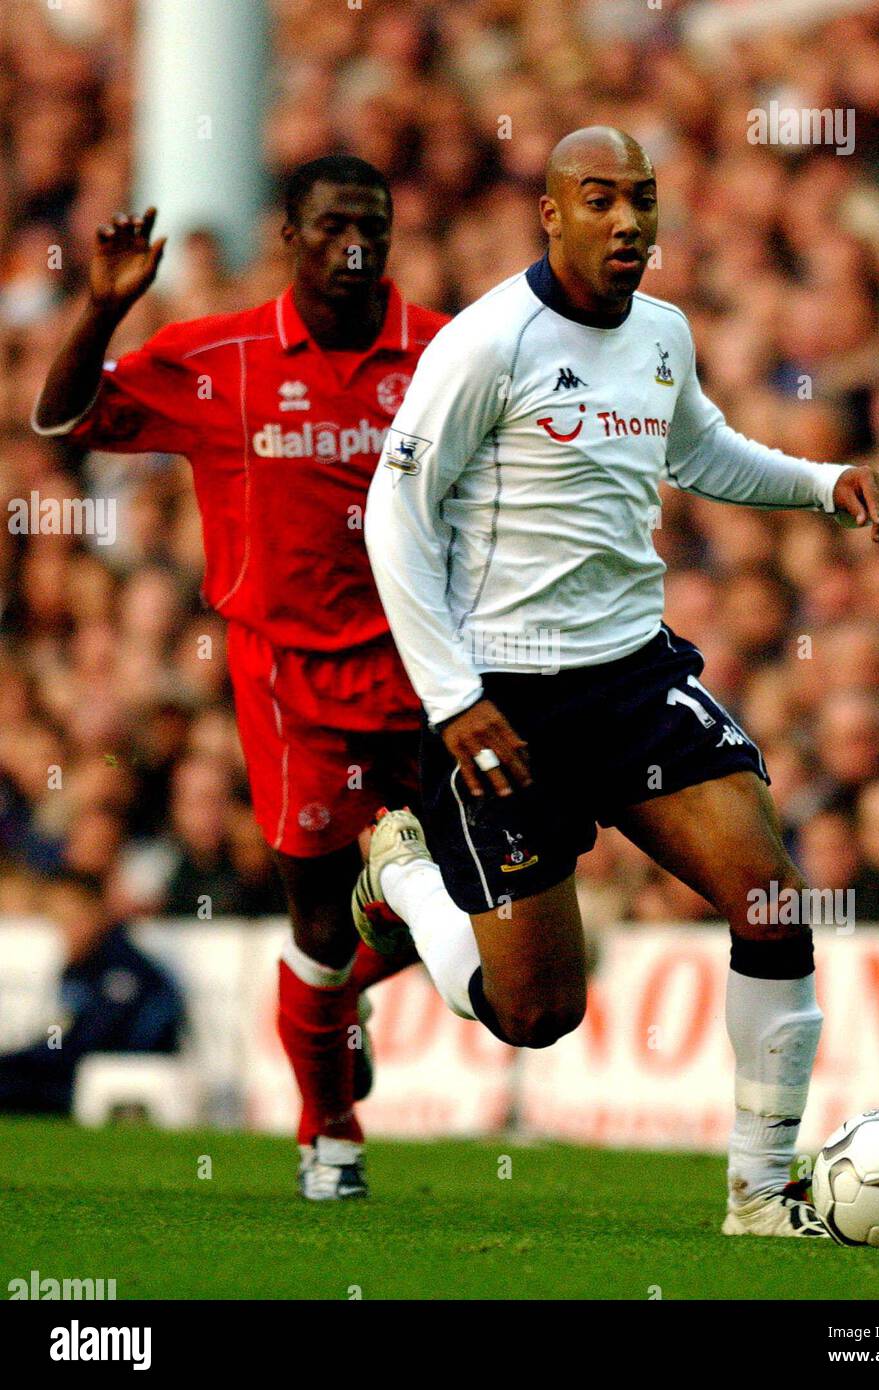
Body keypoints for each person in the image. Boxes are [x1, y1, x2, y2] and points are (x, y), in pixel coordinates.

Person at [359, 127, 879, 1237]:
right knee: (538, 1012)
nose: (628, 222)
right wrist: (452, 699)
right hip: (502, 698)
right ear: (550, 214)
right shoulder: (485, 344)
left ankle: (757, 1194)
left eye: (643, 199)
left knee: (768, 897)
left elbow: (693, 448)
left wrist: (820, 480)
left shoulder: (661, 332)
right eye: (599, 199)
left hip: (629, 677)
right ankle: (407, 878)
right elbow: (392, 518)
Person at [33, 155, 449, 1199]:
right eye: (332, 229)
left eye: (375, 230)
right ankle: (330, 1128)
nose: (356, 249)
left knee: (447, 905)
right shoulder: (222, 357)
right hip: (288, 685)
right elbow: (60, 420)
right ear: (289, 238)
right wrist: (99, 308)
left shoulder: (447, 354)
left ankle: (322, 1011)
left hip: (427, 669)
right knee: (317, 927)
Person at [0, 873, 184, 1115]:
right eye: (52, 919)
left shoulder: (123, 970)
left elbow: (91, 1040)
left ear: (96, 914)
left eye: (68, 919)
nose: (58, 931)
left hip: (114, 1077)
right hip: (65, 1070)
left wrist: (18, 1061)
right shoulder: (71, 967)